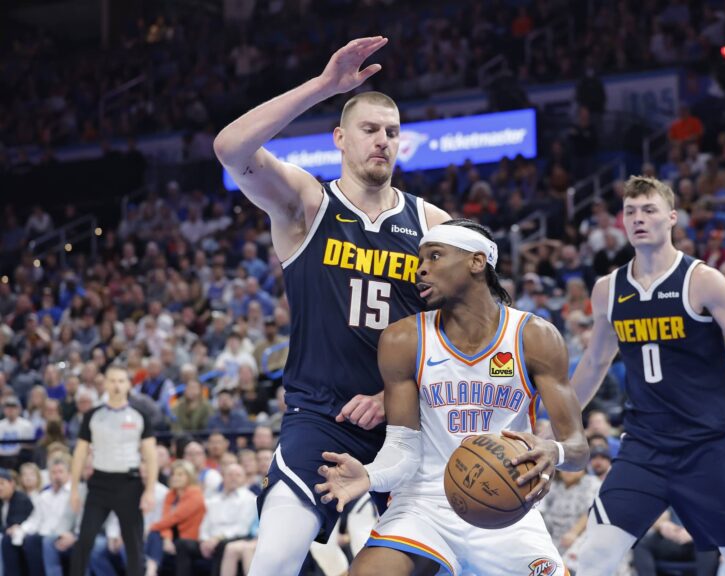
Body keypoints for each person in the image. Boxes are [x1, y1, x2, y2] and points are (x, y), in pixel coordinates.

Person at [213, 36, 449, 575]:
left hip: (408, 422)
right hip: (321, 416)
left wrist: (393, 396)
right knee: (272, 559)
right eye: (370, 130)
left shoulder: (434, 226)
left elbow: (469, 336)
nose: (382, 141)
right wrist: (323, 87)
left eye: (392, 132)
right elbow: (231, 149)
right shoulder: (307, 206)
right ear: (340, 138)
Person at [315, 219, 590, 575]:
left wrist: (555, 450)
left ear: (477, 262)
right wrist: (369, 475)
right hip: (424, 505)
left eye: (435, 256)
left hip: (506, 506)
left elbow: (579, 450)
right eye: (419, 260)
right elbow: (402, 448)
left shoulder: (534, 337)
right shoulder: (404, 339)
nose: (421, 269)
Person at [571, 176, 725, 575]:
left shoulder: (702, 280)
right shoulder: (608, 290)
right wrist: (559, 424)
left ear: (672, 217)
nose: (638, 218)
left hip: (706, 446)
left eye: (648, 210)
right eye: (630, 211)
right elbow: (595, 363)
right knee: (594, 554)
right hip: (643, 447)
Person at [69, 366, 158, 576]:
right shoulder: (92, 415)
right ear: (105, 384)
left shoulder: (140, 416)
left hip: (129, 484)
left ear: (128, 384)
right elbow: (80, 455)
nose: (117, 385)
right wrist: (74, 489)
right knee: (85, 539)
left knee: (133, 543)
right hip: (99, 483)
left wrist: (150, 490)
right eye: (112, 381)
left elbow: (151, 456)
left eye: (121, 381)